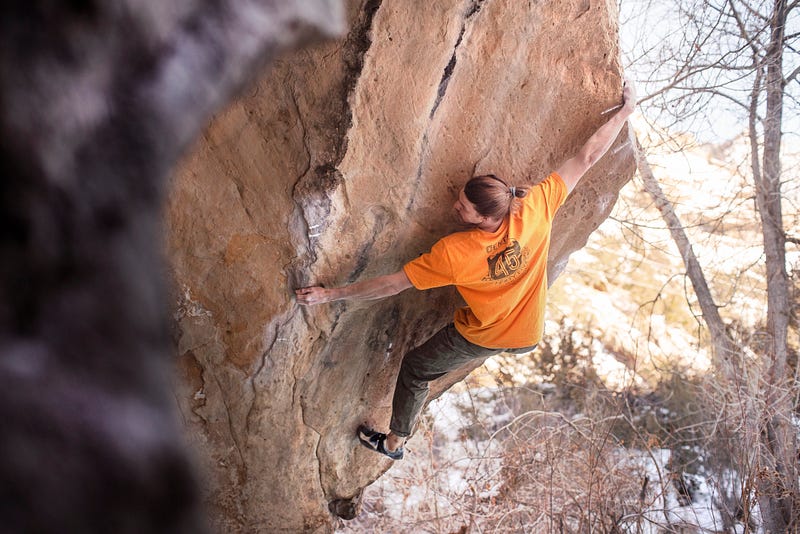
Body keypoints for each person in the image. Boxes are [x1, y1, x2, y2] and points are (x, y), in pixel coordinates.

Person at [296, 80, 637, 460]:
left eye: (464, 208)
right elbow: (587, 158)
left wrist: (331, 294)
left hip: (489, 333)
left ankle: (394, 443)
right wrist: (625, 112)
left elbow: (392, 285)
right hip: (528, 331)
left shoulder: (456, 251)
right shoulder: (535, 208)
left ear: (486, 218)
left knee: (416, 368)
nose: (456, 208)